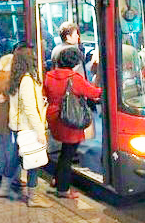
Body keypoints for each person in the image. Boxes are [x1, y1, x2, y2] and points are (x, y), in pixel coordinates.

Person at [44, 47, 102, 199]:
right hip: (69, 118)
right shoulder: (74, 78)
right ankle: (63, 190)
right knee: (68, 155)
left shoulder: (49, 76)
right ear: (75, 63)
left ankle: (56, 181)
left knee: (64, 151)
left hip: (54, 117)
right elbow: (93, 93)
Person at [8, 46, 52, 208]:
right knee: (34, 161)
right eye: (33, 56)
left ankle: (4, 188)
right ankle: (33, 198)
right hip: (28, 126)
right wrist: (40, 131)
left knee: (17, 158)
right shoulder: (27, 80)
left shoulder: (16, 77)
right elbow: (30, 108)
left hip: (19, 124)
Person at [0, 54, 19, 197]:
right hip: (6, 116)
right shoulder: (9, 78)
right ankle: (10, 176)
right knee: (10, 148)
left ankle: (0, 172)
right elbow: (11, 94)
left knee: (0, 146)